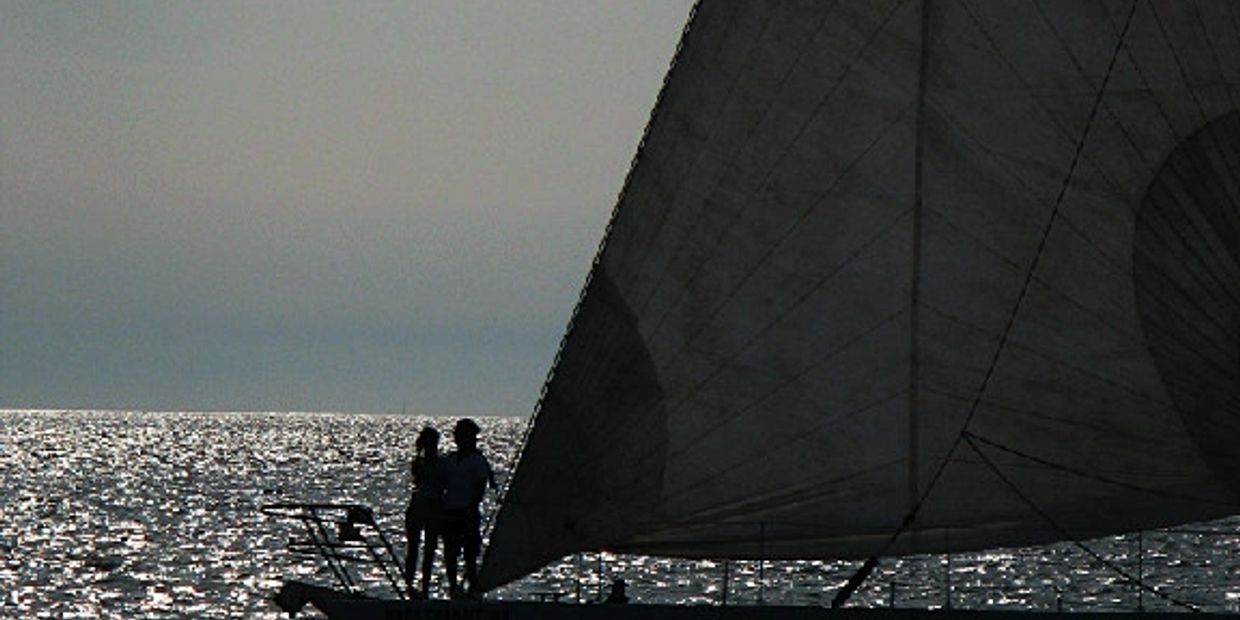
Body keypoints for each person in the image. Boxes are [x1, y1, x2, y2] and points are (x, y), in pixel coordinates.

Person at [440, 418, 495, 598]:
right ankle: (454, 587)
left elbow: (480, 488)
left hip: (467, 512)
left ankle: (473, 590)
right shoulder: (450, 459)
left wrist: (471, 509)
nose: (458, 438)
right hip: (450, 511)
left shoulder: (477, 461)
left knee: (470, 555)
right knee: (450, 554)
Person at [404, 426, 445, 599]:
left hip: (433, 507)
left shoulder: (441, 463)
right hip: (420, 506)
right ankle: (410, 586)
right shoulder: (419, 463)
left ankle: (425, 588)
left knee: (429, 549)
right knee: (414, 548)